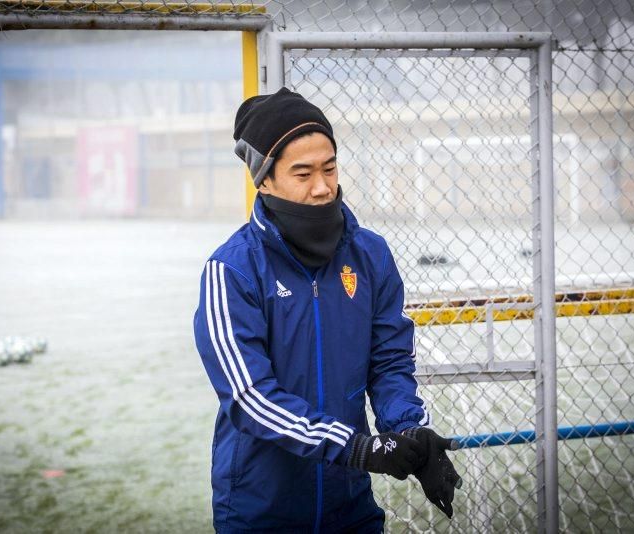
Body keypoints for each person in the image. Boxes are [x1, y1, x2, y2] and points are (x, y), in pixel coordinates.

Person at [193, 87, 461, 533]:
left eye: (329, 168)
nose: (322, 187)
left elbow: (389, 363)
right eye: (303, 173)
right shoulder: (232, 271)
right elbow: (250, 398)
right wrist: (358, 448)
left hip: (350, 508)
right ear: (264, 179)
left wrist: (408, 429)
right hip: (261, 513)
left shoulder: (370, 254)